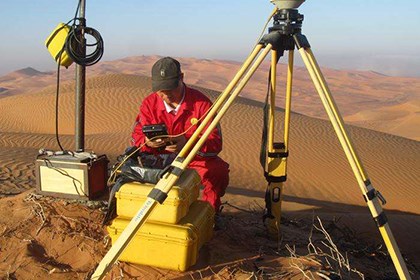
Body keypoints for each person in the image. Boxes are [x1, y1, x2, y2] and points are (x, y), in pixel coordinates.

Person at [131, 57, 229, 213]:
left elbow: (215, 143)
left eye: (170, 88)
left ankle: (209, 214)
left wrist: (188, 143)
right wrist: (147, 142)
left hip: (193, 160)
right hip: (159, 160)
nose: (166, 95)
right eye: (161, 91)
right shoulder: (149, 103)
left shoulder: (201, 104)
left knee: (218, 171)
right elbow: (136, 135)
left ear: (181, 78)